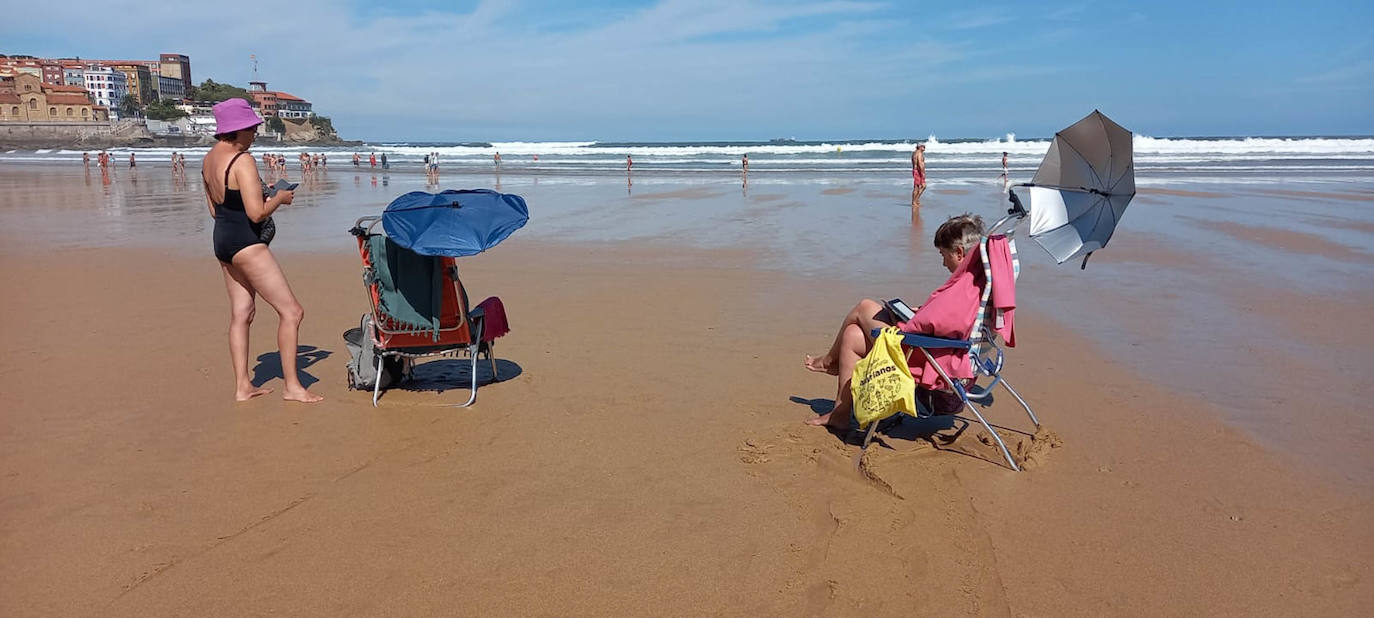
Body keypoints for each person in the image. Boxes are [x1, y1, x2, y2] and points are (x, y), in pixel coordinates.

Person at [804, 213, 985, 429]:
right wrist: (920, 311)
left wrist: (906, 319)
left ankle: (828, 362)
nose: (943, 262)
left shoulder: (964, 287)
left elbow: (933, 324)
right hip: (945, 351)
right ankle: (840, 414)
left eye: (943, 255)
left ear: (959, 252)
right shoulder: (979, 280)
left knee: (864, 306)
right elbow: (949, 318)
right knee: (852, 336)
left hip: (930, 358)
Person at [200, 98, 322, 404]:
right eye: (252, 128)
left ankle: (243, 386)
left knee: (242, 313)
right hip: (246, 243)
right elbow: (256, 214)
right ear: (238, 130)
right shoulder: (243, 161)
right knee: (292, 312)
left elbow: (215, 210)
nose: (255, 133)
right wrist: (279, 198)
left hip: (223, 241)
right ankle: (292, 386)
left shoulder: (208, 160)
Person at [911, 143, 927, 208]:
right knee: (923, 186)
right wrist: (922, 173)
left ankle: (915, 201)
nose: (924, 148)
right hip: (918, 171)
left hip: (915, 171)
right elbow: (920, 164)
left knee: (916, 187)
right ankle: (915, 200)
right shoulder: (919, 153)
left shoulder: (914, 153)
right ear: (920, 147)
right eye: (923, 146)